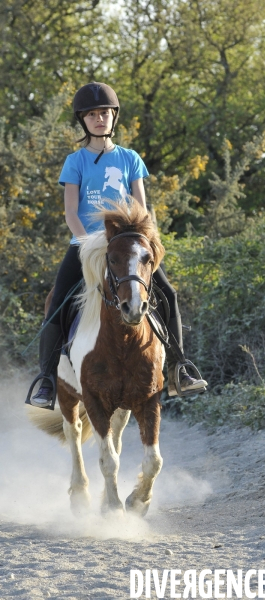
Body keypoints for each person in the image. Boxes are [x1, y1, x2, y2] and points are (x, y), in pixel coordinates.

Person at [29, 81, 207, 408]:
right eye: (93, 114)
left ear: (114, 117)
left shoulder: (130, 159)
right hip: (85, 244)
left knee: (168, 293)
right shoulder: (76, 161)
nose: (100, 119)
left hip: (128, 245)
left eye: (105, 113)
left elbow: (142, 208)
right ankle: (47, 380)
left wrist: (147, 241)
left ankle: (181, 366)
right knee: (57, 302)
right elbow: (70, 212)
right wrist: (87, 244)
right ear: (83, 120)